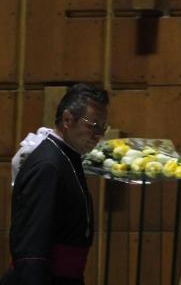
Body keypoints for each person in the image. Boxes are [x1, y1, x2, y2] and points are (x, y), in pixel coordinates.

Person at [5, 83, 110, 285]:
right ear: (68, 119)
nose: (99, 136)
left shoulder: (65, 158)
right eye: (93, 126)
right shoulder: (48, 165)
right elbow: (32, 245)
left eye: (103, 128)